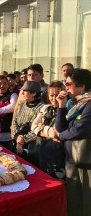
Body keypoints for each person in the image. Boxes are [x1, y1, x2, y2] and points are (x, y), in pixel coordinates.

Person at [55, 68, 91, 216]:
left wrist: (61, 136)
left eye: (69, 84)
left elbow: (82, 129)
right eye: (65, 83)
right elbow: (60, 126)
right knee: (74, 199)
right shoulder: (73, 103)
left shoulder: (88, 103)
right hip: (71, 158)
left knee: (87, 201)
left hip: (86, 160)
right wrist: (61, 106)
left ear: (81, 86)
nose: (66, 87)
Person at [31, 81, 65, 180]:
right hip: (42, 150)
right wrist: (48, 133)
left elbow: (56, 133)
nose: (54, 98)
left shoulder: (65, 110)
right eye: (51, 95)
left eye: (57, 95)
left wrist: (42, 127)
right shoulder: (46, 108)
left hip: (57, 154)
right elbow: (33, 126)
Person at [12, 81, 44, 166]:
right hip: (17, 141)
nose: (22, 93)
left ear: (33, 93)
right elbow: (14, 120)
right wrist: (17, 137)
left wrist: (24, 139)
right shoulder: (22, 104)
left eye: (24, 91)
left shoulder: (42, 107)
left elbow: (38, 128)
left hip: (32, 146)